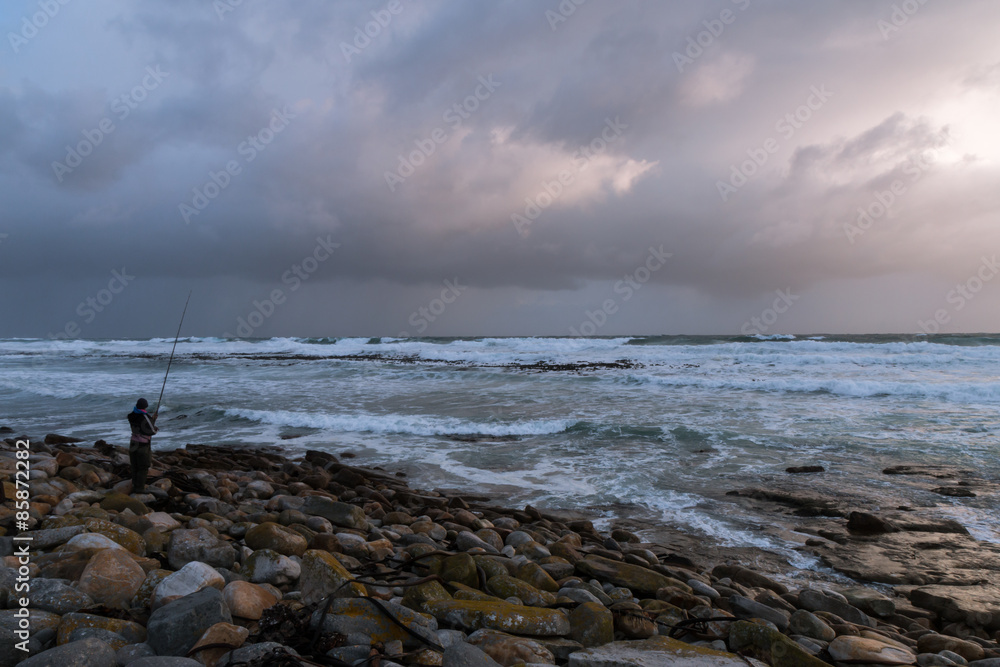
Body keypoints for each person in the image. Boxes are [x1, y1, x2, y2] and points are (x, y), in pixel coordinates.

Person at [127, 398, 158, 493]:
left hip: (133, 443)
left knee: (134, 466)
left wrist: (151, 420)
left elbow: (143, 426)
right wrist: (154, 424)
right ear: (145, 406)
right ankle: (139, 488)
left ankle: (134, 484)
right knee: (143, 467)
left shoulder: (131, 415)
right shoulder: (145, 417)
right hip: (142, 445)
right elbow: (151, 431)